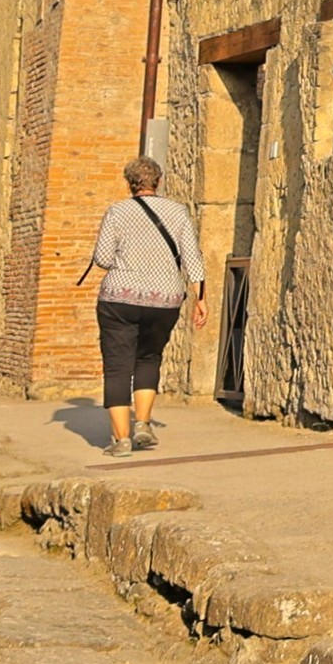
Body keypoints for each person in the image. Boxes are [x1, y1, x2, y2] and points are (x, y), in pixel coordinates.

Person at [80, 157, 202, 459]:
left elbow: (103, 258)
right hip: (165, 299)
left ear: (129, 183)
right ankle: (143, 423)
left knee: (117, 366)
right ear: (158, 181)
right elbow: (192, 257)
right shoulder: (178, 211)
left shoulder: (117, 211)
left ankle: (121, 440)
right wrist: (201, 298)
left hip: (119, 299)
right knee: (149, 357)